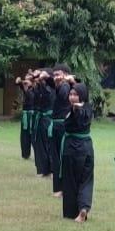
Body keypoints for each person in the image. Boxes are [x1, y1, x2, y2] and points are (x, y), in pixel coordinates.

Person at [60, 81, 93, 222]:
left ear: (82, 96)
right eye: (71, 94)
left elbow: (80, 118)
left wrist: (76, 110)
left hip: (73, 149)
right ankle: (83, 208)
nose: (72, 97)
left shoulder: (80, 109)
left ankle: (73, 211)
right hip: (86, 148)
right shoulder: (88, 108)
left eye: (76, 94)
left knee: (72, 181)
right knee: (86, 180)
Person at [50, 65, 72, 197]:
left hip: (62, 125)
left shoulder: (66, 86)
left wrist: (61, 83)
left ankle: (64, 189)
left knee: (62, 157)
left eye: (58, 74)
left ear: (65, 74)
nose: (56, 77)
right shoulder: (59, 86)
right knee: (56, 157)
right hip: (56, 125)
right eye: (55, 75)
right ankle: (59, 188)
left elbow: (64, 96)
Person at [32, 69, 55, 178]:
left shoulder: (53, 88)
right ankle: (41, 169)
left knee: (49, 145)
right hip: (40, 118)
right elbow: (36, 98)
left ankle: (50, 170)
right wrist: (37, 82)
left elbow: (48, 96)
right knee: (39, 145)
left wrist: (42, 81)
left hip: (48, 119)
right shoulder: (40, 87)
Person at [16, 72, 35, 160]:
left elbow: (31, 97)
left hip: (33, 115)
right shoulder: (25, 87)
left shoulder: (36, 89)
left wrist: (26, 88)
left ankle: (38, 154)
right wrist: (19, 80)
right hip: (25, 115)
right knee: (24, 135)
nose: (25, 81)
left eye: (28, 80)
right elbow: (18, 83)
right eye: (25, 79)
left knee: (33, 135)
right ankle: (25, 154)